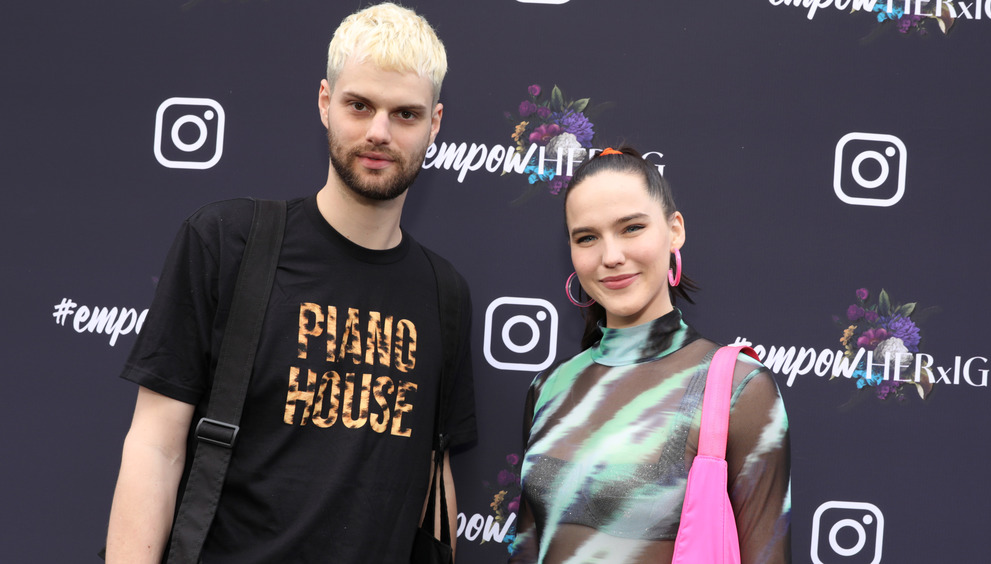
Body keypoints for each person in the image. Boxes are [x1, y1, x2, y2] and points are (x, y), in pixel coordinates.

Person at [105, 4, 476, 563]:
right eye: (359, 105)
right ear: (326, 103)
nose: (379, 131)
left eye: (405, 114)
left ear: (435, 124)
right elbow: (155, 446)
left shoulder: (445, 293)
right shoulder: (227, 242)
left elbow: (433, 478)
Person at [509, 147, 790, 563]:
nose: (611, 257)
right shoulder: (548, 388)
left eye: (631, 228)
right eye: (587, 237)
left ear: (674, 230)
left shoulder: (739, 388)